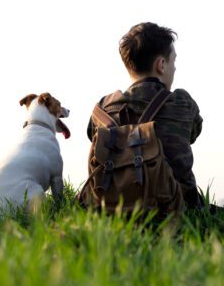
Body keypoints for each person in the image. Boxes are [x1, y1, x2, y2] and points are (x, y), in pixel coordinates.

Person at [86, 22, 203, 210]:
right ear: (161, 65)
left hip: (111, 206)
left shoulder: (103, 109)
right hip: (176, 206)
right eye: (173, 61)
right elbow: (193, 134)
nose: (174, 68)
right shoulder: (182, 102)